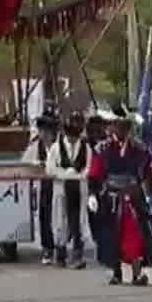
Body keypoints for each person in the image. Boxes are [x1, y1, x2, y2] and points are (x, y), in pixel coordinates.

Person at [93, 104, 152, 286]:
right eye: (117, 125)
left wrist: (149, 194)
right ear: (112, 126)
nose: (121, 129)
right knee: (111, 235)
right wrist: (93, 193)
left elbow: (146, 173)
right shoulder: (102, 148)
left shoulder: (139, 148)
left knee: (135, 235)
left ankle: (137, 273)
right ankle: (116, 272)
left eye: (125, 126)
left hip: (133, 196)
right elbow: (95, 173)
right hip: (111, 196)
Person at [47, 112, 90, 269]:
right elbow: (50, 169)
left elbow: (89, 167)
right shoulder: (56, 148)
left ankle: (77, 255)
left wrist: (78, 175)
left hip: (79, 187)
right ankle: (60, 255)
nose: (73, 139)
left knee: (78, 221)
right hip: (61, 187)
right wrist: (65, 174)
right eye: (70, 135)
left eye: (75, 135)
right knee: (60, 221)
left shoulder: (85, 147)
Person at [20, 110, 60, 265]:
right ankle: (48, 248)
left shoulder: (61, 145)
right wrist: (36, 165)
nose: (44, 132)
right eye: (42, 128)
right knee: (45, 216)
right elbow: (25, 163)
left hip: (59, 183)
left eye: (48, 128)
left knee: (60, 218)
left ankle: (62, 247)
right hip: (44, 185)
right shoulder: (35, 146)